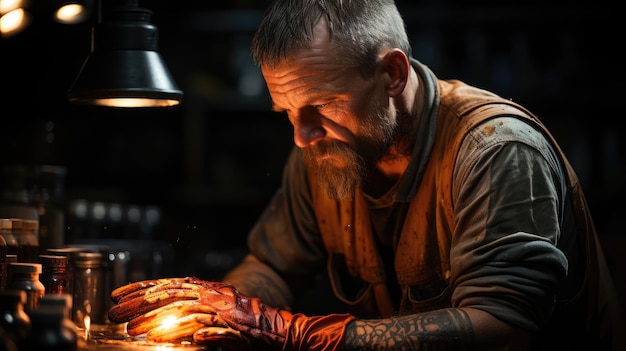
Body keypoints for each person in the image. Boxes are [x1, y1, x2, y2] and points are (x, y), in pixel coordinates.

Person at [107, 0, 626, 350]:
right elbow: (276, 267)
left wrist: (298, 334)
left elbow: (506, 323)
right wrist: (219, 311)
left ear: (393, 74)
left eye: (323, 104)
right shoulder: (324, 146)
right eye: (286, 111)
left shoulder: (495, 150)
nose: (301, 135)